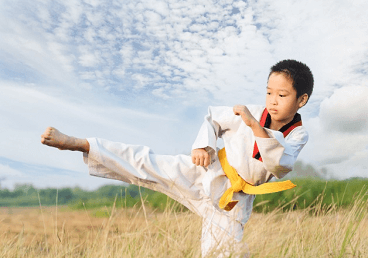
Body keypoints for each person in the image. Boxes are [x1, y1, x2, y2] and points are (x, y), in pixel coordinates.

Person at [41, 59, 314, 257]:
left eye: (281, 95)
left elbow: (280, 164)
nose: (272, 101)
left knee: (222, 253)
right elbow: (213, 118)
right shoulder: (251, 110)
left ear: (301, 100)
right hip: (205, 171)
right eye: (268, 92)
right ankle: (83, 145)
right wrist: (202, 146)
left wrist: (254, 125)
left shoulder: (297, 135)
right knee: (145, 163)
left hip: (232, 201)